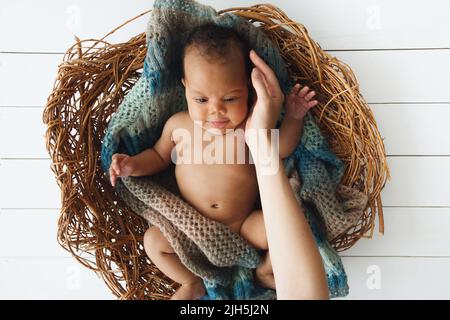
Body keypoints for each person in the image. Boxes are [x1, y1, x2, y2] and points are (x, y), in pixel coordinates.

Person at [108, 24, 327, 300]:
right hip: (191, 230)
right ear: (185, 88)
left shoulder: (250, 128)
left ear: (248, 89)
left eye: (231, 98)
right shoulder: (179, 126)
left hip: (243, 225)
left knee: (290, 231)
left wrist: (294, 116)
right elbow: (158, 156)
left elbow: (280, 149)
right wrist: (131, 165)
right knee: (153, 241)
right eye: (201, 99)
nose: (216, 110)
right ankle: (190, 282)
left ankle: (265, 272)